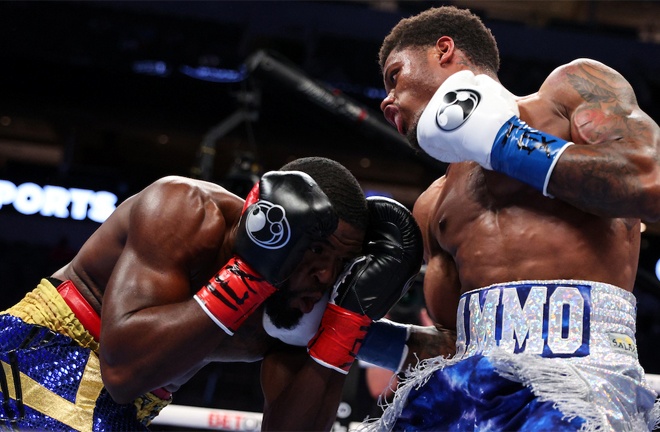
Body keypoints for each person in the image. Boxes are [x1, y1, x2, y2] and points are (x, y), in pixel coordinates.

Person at [366, 5, 660, 431]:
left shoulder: (566, 94)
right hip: (467, 401)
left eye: (395, 76)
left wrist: (505, 142)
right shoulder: (433, 205)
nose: (386, 100)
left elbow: (650, 183)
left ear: (443, 50)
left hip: (582, 391)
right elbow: (456, 347)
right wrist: (362, 336)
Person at [0, 156, 443, 431]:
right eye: (316, 250)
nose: (324, 276)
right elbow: (123, 375)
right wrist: (252, 272)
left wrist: (345, 325)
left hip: (113, 416)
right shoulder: (183, 211)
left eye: (341, 265)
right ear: (273, 227)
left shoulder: (301, 303)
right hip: (31, 362)